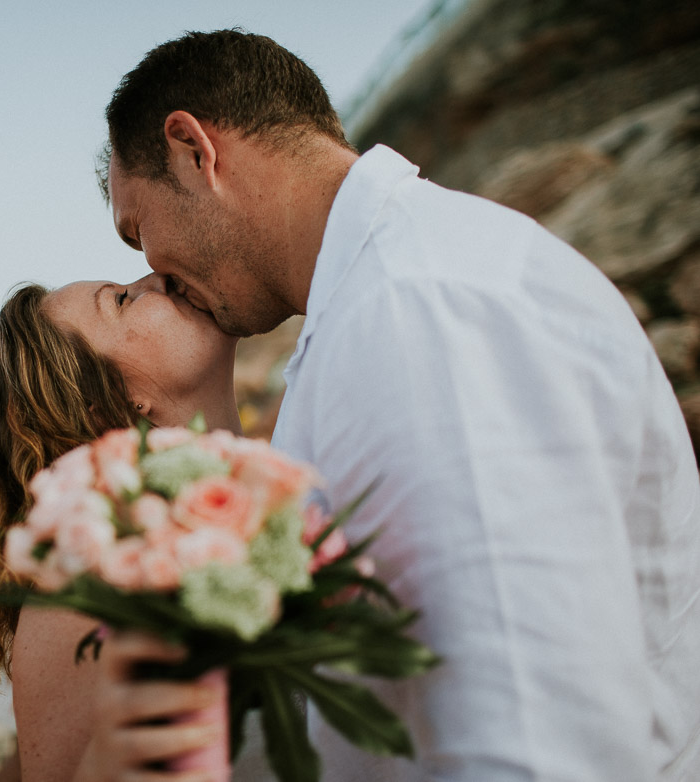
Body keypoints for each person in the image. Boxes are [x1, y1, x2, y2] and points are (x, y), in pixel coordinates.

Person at [97, 29, 700, 781]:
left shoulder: (420, 302)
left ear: (192, 149)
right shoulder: (381, 293)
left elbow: (527, 730)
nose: (149, 265)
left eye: (136, 227)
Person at [0, 277, 272, 780]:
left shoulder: (293, 481)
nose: (156, 276)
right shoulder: (83, 603)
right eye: (121, 300)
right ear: (108, 403)